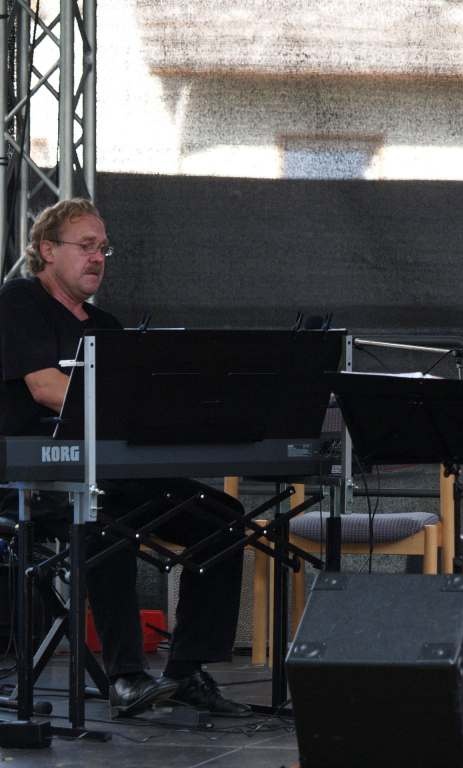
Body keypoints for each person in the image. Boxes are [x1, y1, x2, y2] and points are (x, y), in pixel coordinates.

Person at [0, 198, 251, 719]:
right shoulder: (20, 301)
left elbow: (130, 406)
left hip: (111, 473)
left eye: (103, 248)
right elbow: (47, 388)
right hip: (38, 479)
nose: (97, 257)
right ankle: (127, 677)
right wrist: (130, 414)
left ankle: (186, 671)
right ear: (47, 250)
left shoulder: (106, 323)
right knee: (102, 522)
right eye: (86, 246)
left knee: (223, 519)